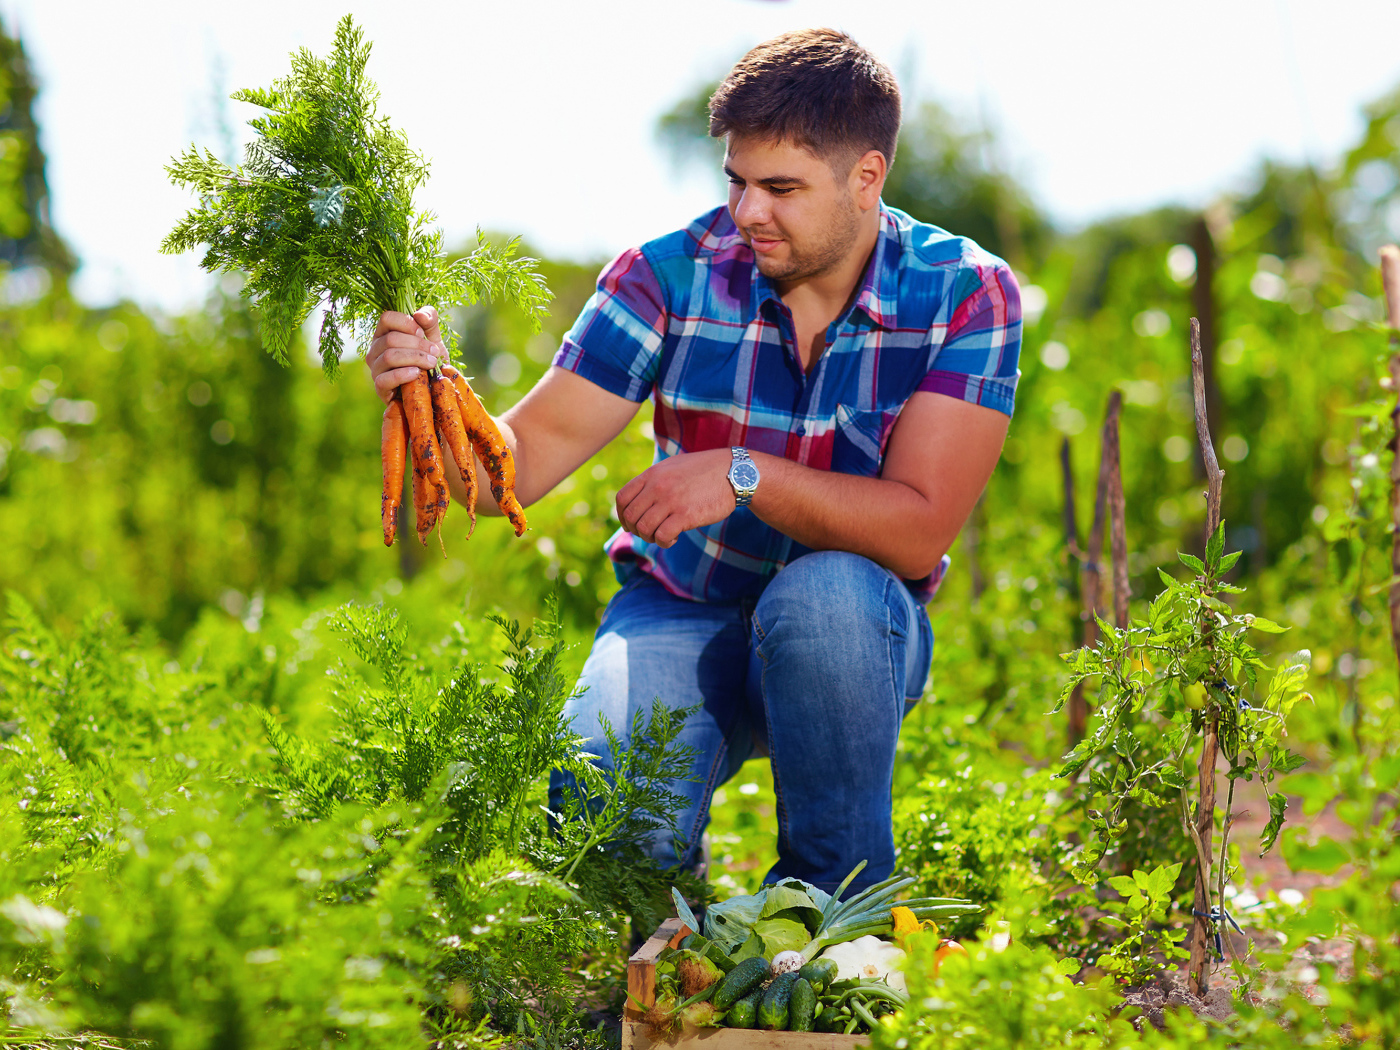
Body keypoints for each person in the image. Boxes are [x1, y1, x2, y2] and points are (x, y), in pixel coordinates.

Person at [366, 28, 1020, 896]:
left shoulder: (964, 293)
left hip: (851, 634)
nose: (750, 212)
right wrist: (430, 394)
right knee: (606, 821)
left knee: (823, 597)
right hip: (679, 607)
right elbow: (509, 475)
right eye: (738, 182)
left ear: (867, 178)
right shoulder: (666, 277)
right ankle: (667, 901)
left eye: (781, 188)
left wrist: (740, 473)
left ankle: (832, 904)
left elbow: (917, 530)